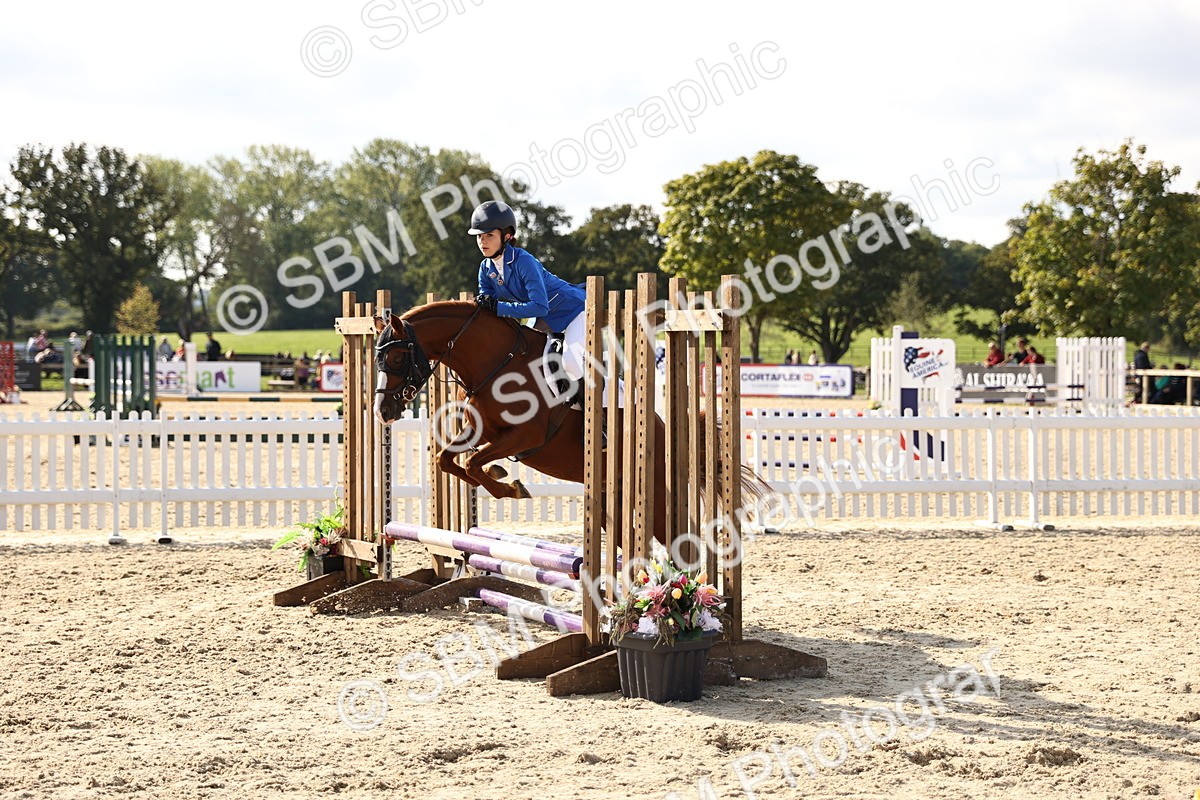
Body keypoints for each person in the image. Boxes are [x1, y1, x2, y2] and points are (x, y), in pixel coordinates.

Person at [470, 200, 587, 382]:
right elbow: (489, 308)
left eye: (489, 235)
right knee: (530, 362)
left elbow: (540, 306)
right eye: (479, 236)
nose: (482, 242)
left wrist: (499, 307)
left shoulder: (524, 261)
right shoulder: (485, 268)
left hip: (573, 310)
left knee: (571, 364)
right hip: (546, 318)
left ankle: (613, 399)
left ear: (507, 236)